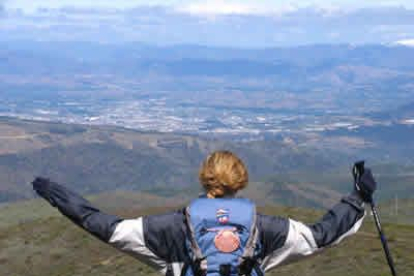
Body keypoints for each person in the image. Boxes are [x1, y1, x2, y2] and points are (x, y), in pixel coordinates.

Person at [32, 150, 377, 276]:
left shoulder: (170, 229)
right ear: (240, 182)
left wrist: (59, 196)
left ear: (204, 178)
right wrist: (358, 196)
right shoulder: (266, 230)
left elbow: (106, 227)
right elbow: (322, 236)